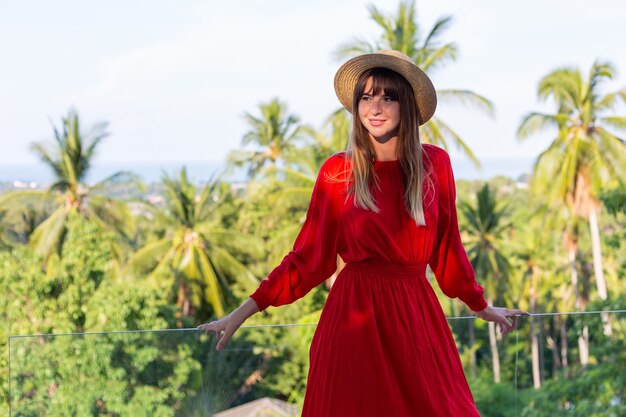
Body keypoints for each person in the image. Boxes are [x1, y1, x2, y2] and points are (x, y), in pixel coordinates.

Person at [199, 50, 527, 417]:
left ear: (408, 106)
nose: (375, 107)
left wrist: (482, 307)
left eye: (388, 96)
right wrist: (241, 313)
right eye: (366, 97)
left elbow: (449, 253)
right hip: (353, 324)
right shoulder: (337, 173)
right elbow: (307, 261)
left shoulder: (435, 165)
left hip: (416, 320)